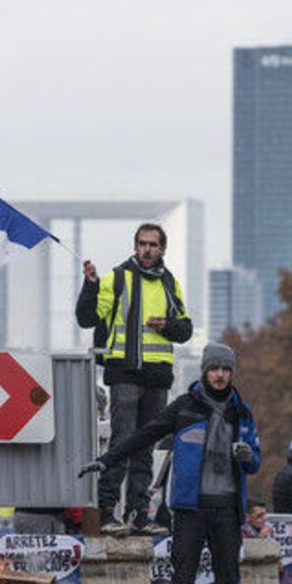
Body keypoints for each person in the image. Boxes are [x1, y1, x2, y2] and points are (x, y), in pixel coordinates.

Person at [80, 343, 261, 584]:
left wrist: (247, 456)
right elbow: (144, 436)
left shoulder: (242, 413)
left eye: (226, 369)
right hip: (189, 510)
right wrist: (107, 460)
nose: (220, 375)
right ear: (205, 371)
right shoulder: (184, 408)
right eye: (214, 369)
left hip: (226, 510)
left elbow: (255, 462)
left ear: (231, 373)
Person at [75, 223, 193, 537]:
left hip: (157, 375)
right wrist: (89, 285)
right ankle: (107, 512)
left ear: (162, 249)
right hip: (124, 371)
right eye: (142, 244)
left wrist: (166, 325)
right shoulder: (116, 278)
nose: (147, 249)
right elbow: (87, 318)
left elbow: (185, 330)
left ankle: (139, 514)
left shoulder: (169, 283)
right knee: (123, 441)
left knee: (145, 446)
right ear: (135, 246)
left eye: (153, 244)